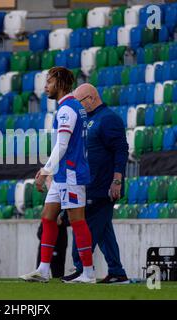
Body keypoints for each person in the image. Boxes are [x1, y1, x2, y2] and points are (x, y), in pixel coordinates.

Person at [20, 67, 95, 283]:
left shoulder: (67, 110)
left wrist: (45, 171)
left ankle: (88, 273)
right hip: (64, 173)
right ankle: (43, 269)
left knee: (77, 220)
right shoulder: (74, 107)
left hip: (70, 173)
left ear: (60, 84)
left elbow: (62, 145)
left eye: (49, 82)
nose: (45, 87)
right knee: (48, 216)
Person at [63, 83, 130, 284]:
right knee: (103, 231)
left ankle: (80, 267)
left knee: (86, 227)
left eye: (80, 102)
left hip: (103, 186)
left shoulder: (108, 119)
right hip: (90, 184)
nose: (78, 107)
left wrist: (117, 180)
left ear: (91, 98)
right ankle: (117, 272)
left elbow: (121, 151)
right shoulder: (88, 120)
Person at [36, 213, 68, 278]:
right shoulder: (48, 212)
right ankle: (42, 275)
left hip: (59, 245)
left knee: (58, 273)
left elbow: (73, 220)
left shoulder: (65, 209)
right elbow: (39, 233)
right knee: (39, 269)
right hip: (44, 246)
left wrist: (62, 222)